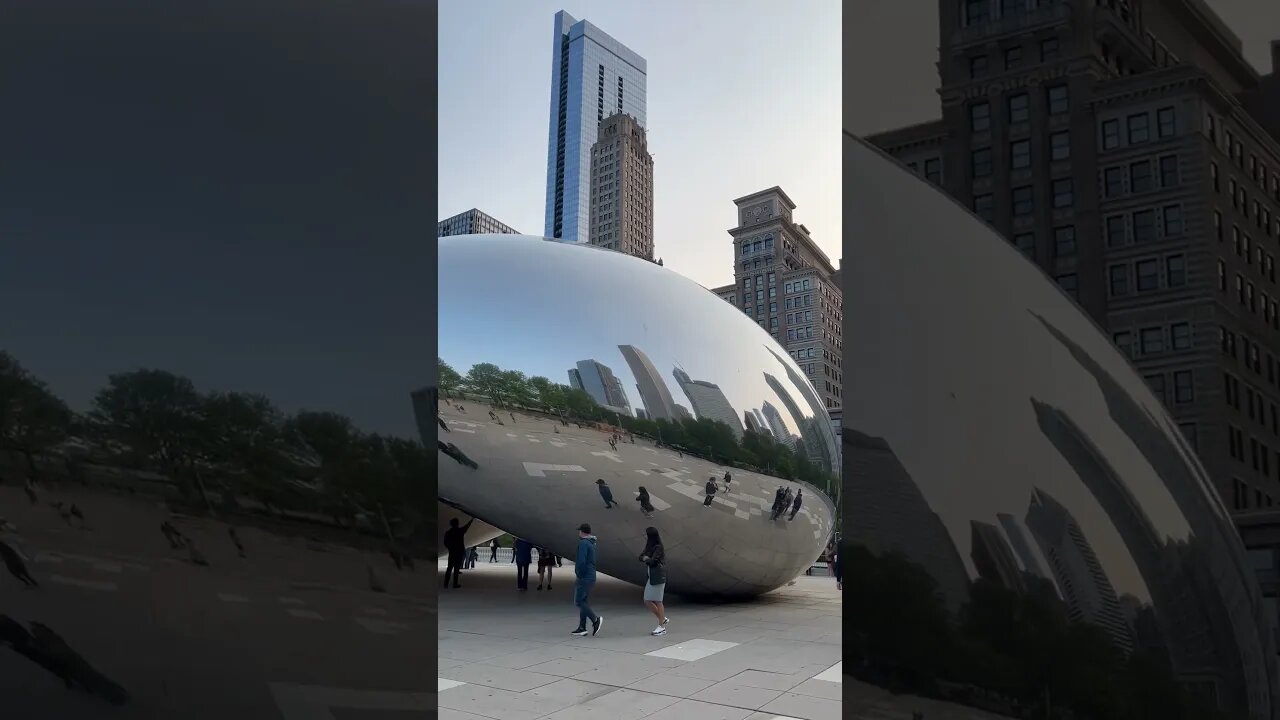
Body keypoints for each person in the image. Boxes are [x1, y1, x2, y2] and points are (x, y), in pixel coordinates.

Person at [570, 523, 603, 637]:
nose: (578, 533)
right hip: (590, 575)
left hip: (584, 576)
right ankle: (582, 627)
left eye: (579, 531)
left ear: (582, 532)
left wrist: (579, 573)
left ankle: (595, 620)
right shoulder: (591, 543)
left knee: (579, 601)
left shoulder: (583, 543)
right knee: (584, 601)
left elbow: (581, 561)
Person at [639, 527, 669, 635]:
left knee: (658, 600)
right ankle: (662, 619)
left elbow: (652, 561)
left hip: (658, 577)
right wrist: (646, 558)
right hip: (652, 577)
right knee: (647, 600)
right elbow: (640, 557)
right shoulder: (649, 546)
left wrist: (646, 559)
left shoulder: (658, 547)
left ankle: (662, 626)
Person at [442, 517, 475, 589]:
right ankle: (455, 584)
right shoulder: (460, 531)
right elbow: (466, 527)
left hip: (452, 552)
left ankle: (445, 584)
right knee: (456, 569)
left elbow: (445, 542)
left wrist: (450, 548)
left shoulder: (448, 532)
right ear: (457, 524)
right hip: (459, 552)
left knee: (449, 568)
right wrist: (471, 520)